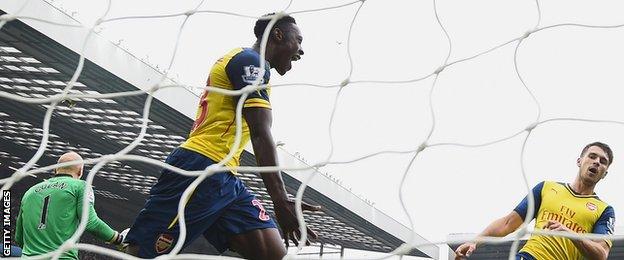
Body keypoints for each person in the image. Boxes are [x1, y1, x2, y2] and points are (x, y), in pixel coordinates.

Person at [125, 13, 320, 259]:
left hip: (225, 176)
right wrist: (281, 201)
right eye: (299, 40)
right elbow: (260, 133)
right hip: (200, 167)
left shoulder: (254, 66)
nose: (301, 50)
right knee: (142, 253)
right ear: (278, 34)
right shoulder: (249, 61)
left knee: (272, 252)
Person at [455, 142, 616, 260]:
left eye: (603, 161)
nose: (596, 162)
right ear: (579, 161)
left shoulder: (604, 210)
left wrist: (570, 233)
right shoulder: (546, 188)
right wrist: (475, 242)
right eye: (592, 156)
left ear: (604, 174)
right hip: (530, 256)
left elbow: (601, 255)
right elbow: (508, 223)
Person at [15, 152, 125, 259]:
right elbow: (90, 222)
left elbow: (19, 237)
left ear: (55, 170)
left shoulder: (30, 192)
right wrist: (118, 239)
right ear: (80, 171)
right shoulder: (80, 186)